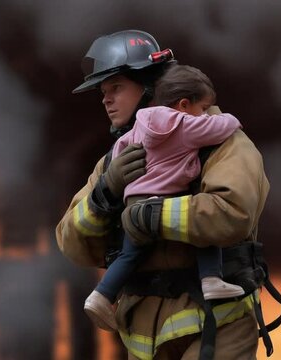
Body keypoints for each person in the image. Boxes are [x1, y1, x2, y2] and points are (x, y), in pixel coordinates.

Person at [56, 29, 270, 359]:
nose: (105, 99)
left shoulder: (221, 143)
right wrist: (104, 194)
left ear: (151, 88)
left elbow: (232, 212)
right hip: (143, 341)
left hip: (217, 327)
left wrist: (150, 217)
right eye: (103, 91)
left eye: (116, 87)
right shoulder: (117, 160)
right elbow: (70, 241)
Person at [83, 64, 246, 332]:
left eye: (116, 88)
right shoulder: (185, 125)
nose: (106, 99)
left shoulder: (139, 125)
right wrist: (231, 119)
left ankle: (100, 296)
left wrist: (114, 184)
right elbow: (217, 128)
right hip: (159, 202)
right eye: (202, 108)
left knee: (129, 255)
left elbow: (122, 148)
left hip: (133, 202)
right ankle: (211, 280)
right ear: (183, 104)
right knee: (202, 235)